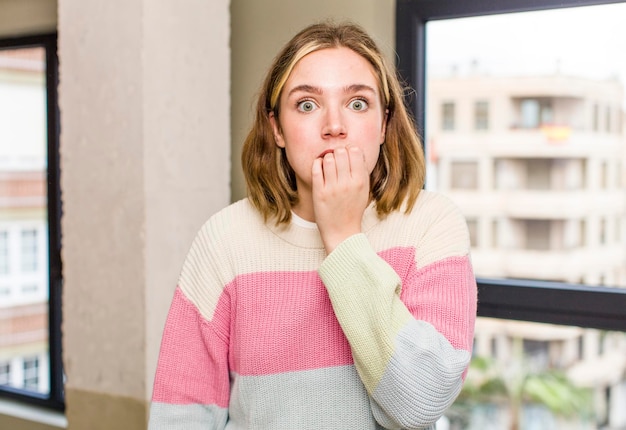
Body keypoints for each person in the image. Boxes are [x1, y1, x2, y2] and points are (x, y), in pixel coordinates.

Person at [148, 21, 477, 430]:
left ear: (384, 124)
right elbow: (181, 413)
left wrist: (343, 237)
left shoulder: (431, 223)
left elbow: (419, 403)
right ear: (277, 129)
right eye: (307, 104)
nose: (334, 126)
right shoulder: (225, 238)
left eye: (358, 103)